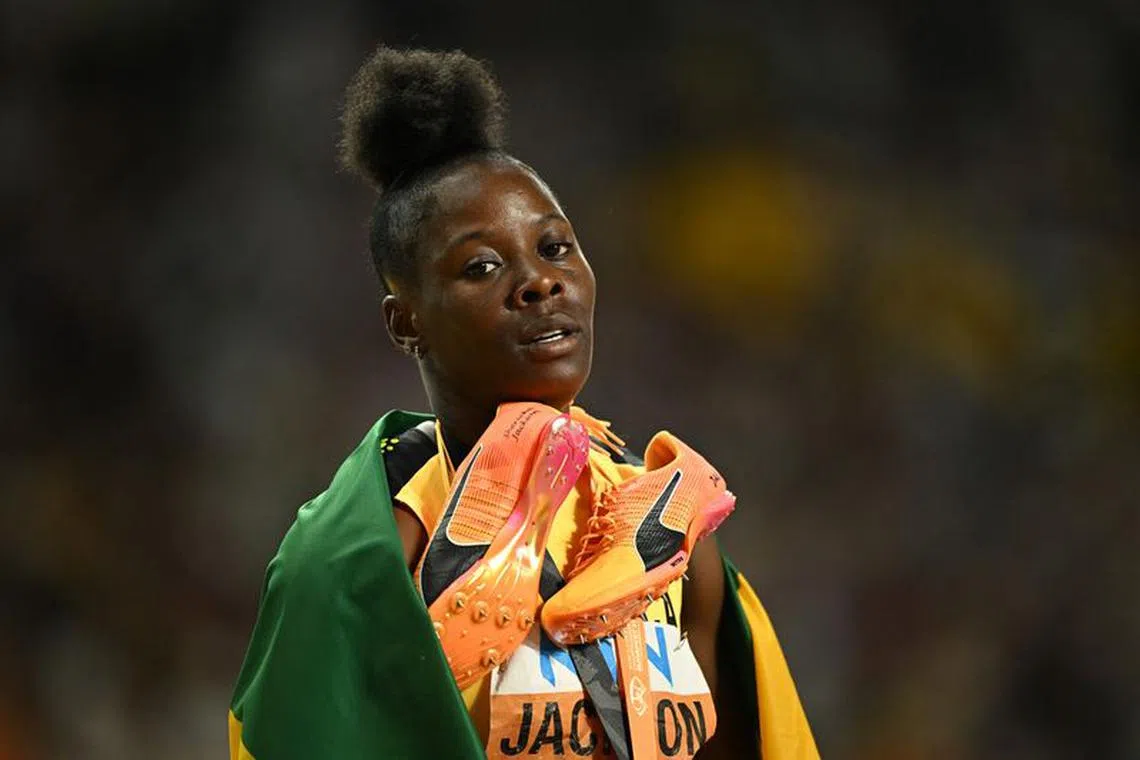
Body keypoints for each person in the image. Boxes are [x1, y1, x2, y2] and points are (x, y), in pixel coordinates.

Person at [228, 46, 818, 760]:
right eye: (482, 266)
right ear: (405, 322)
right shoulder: (363, 555)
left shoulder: (670, 521)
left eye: (556, 247)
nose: (540, 282)